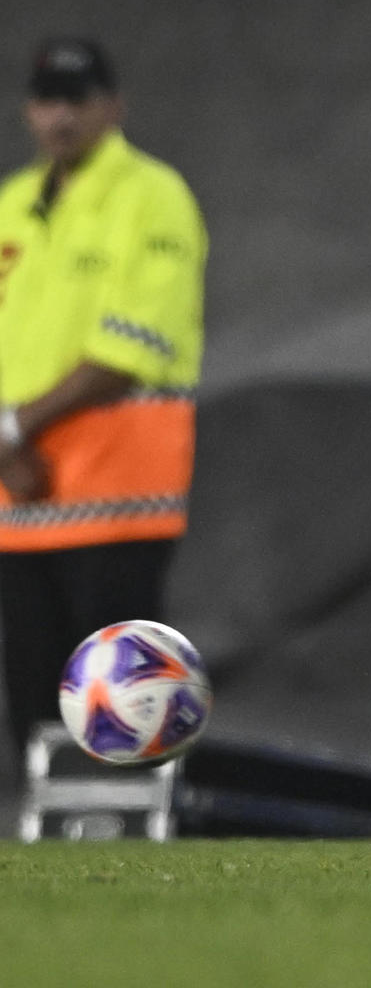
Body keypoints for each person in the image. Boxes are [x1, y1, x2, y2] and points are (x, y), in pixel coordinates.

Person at [0, 38, 207, 761]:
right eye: (49, 100)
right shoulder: (11, 208)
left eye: (78, 100)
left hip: (119, 502)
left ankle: (129, 840)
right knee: (32, 705)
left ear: (112, 107)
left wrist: (11, 428)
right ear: (30, 110)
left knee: (129, 700)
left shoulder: (153, 197)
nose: (62, 117)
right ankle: (48, 856)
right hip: (19, 509)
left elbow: (132, 349)